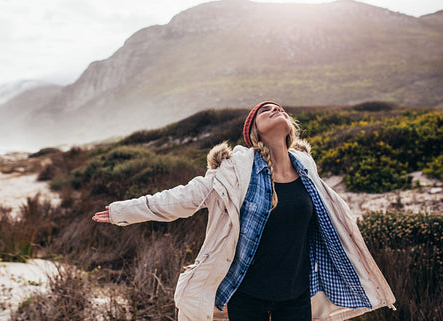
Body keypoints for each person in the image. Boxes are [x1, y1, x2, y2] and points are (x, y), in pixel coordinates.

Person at [92, 101, 396, 321]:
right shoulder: (234, 172)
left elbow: (332, 220)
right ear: (254, 133)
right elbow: (179, 199)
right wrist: (123, 211)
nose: (276, 109)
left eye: (280, 108)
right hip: (247, 295)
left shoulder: (307, 169)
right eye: (266, 110)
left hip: (298, 294)